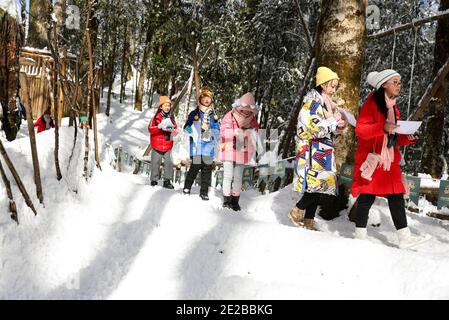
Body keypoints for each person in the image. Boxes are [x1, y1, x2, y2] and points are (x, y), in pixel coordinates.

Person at [351, 69, 430, 249]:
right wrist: (382, 126)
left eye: (399, 82)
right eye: (395, 82)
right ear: (384, 84)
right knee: (366, 197)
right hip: (373, 158)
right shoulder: (371, 103)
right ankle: (359, 235)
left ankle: (404, 237)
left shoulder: (393, 106)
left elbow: (394, 135)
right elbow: (360, 130)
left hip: (389, 159)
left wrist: (408, 137)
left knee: (396, 196)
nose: (399, 86)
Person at [289, 66, 347, 230]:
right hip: (311, 150)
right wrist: (333, 123)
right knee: (316, 184)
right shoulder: (312, 104)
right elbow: (313, 128)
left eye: (335, 86)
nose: (333, 90)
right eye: (331, 86)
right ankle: (298, 210)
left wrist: (337, 129)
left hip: (322, 149)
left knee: (319, 186)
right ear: (322, 84)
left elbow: (326, 129)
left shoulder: (327, 106)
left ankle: (309, 219)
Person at [220, 92, 260, 211]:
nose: (246, 112)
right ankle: (226, 200)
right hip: (228, 148)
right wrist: (235, 132)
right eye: (244, 109)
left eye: (249, 110)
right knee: (228, 176)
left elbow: (256, 134)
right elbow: (222, 131)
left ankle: (235, 200)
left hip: (242, 150)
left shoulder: (252, 120)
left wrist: (249, 133)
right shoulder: (229, 115)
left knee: (238, 177)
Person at [183, 87, 220, 200]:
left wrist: (213, 131)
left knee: (207, 169)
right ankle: (187, 187)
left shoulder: (213, 115)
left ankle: (204, 192)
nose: (207, 100)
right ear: (201, 99)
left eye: (209, 97)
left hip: (209, 146)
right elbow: (187, 126)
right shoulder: (195, 113)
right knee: (195, 167)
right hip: (197, 145)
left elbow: (218, 129)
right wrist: (189, 129)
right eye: (205, 97)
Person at [148, 96, 178, 189]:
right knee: (155, 162)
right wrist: (159, 127)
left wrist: (174, 131)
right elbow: (150, 129)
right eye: (165, 105)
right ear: (161, 106)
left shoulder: (172, 117)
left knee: (169, 163)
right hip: (157, 144)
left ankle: (167, 180)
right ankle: (154, 180)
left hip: (168, 144)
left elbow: (175, 128)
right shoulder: (156, 118)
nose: (167, 107)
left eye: (169, 105)